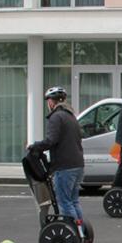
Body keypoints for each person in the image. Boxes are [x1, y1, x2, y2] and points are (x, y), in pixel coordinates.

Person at [28, 87, 85, 222]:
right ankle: (81, 232)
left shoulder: (56, 117)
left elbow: (51, 141)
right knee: (74, 202)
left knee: (65, 203)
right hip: (78, 165)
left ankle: (73, 234)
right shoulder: (71, 116)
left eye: (48, 100)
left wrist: (34, 146)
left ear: (51, 102)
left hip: (64, 167)